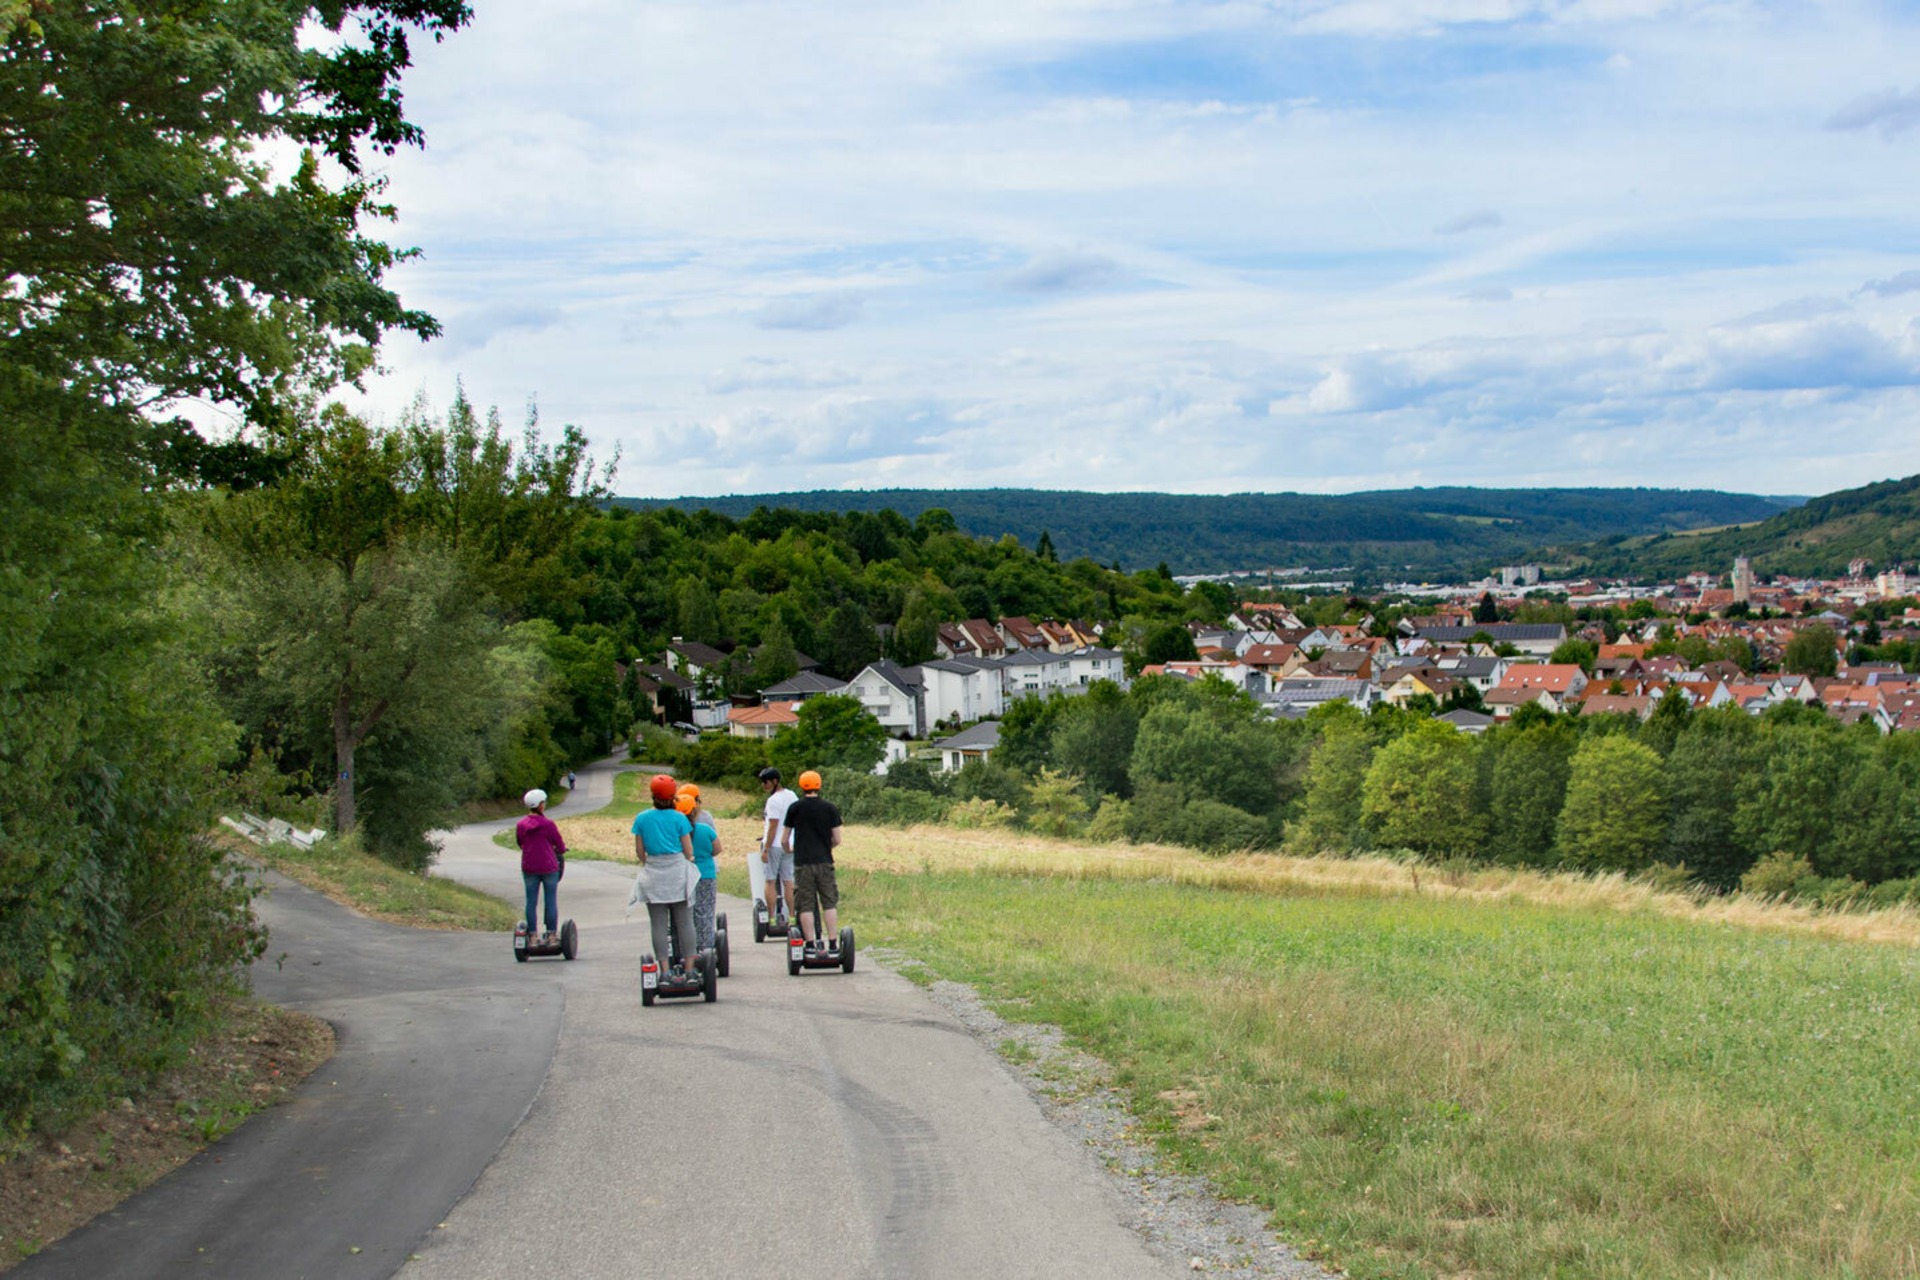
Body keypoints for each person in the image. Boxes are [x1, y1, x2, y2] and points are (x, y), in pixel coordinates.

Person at [631, 773, 696, 976]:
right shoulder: (678, 818)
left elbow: (640, 853)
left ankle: (665, 970)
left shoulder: (642, 818)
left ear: (652, 794)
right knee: (685, 922)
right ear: (673, 795)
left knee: (659, 925)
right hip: (677, 872)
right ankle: (689, 969)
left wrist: (651, 860)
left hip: (654, 873)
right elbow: (688, 851)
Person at [781, 769, 843, 953]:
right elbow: (837, 839)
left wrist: (790, 850)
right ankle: (832, 943)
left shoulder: (795, 808)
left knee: (805, 904)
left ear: (802, 786)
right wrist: (825, 847)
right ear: (819, 785)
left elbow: (784, 839)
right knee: (829, 902)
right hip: (824, 860)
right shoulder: (830, 808)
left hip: (802, 862)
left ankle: (809, 944)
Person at [515, 788, 566, 945]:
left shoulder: (521, 824)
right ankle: (551, 935)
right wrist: (560, 850)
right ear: (540, 806)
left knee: (531, 901)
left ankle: (532, 936)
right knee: (550, 900)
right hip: (549, 867)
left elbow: (520, 843)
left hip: (529, 867)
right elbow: (560, 845)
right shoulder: (548, 824)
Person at [676, 783, 722, 955]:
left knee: (685, 914)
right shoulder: (705, 828)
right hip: (706, 874)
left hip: (684, 874)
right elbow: (717, 849)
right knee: (705, 912)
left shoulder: (676, 832)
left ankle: (685, 949)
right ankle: (706, 949)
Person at [756, 766, 798, 926]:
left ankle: (772, 919)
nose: (763, 785)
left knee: (770, 881)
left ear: (774, 781)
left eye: (765, 782)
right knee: (788, 881)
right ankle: (792, 917)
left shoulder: (773, 801)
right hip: (789, 844)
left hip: (774, 845)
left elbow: (773, 826)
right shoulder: (792, 795)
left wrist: (766, 848)